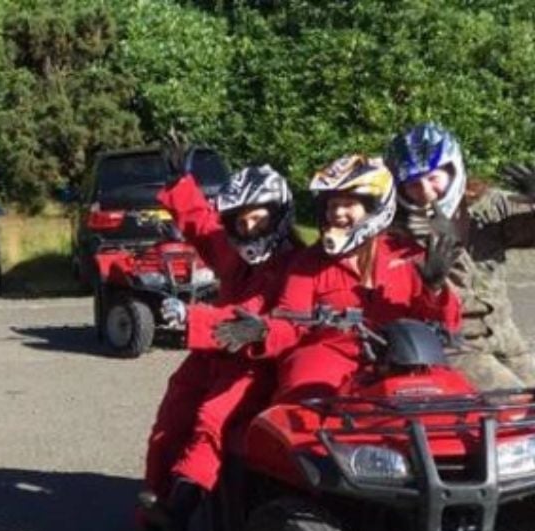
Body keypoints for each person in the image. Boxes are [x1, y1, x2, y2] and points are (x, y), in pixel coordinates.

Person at [120, 132, 300, 531]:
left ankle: (181, 509)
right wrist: (182, 180)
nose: (249, 227)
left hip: (252, 361)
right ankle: (152, 527)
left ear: (279, 214)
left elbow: (255, 317)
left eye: (258, 218)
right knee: (167, 427)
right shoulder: (236, 253)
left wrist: (191, 318)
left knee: (211, 420)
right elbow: (203, 224)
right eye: (241, 221)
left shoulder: (294, 266)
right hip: (209, 355)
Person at [213, 154, 461, 403]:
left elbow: (446, 329)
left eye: (348, 204)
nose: (337, 213)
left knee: (457, 398)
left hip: (403, 358)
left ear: (374, 208)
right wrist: (263, 330)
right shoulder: (308, 263)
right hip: (329, 356)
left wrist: (435, 289)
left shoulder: (409, 256)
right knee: (304, 400)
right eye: (332, 205)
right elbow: (290, 322)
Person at [387, 122, 535, 390]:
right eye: (413, 185)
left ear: (453, 169)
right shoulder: (396, 229)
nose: (427, 191)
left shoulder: (489, 206)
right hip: (454, 344)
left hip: (507, 337)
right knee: (515, 409)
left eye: (434, 178)